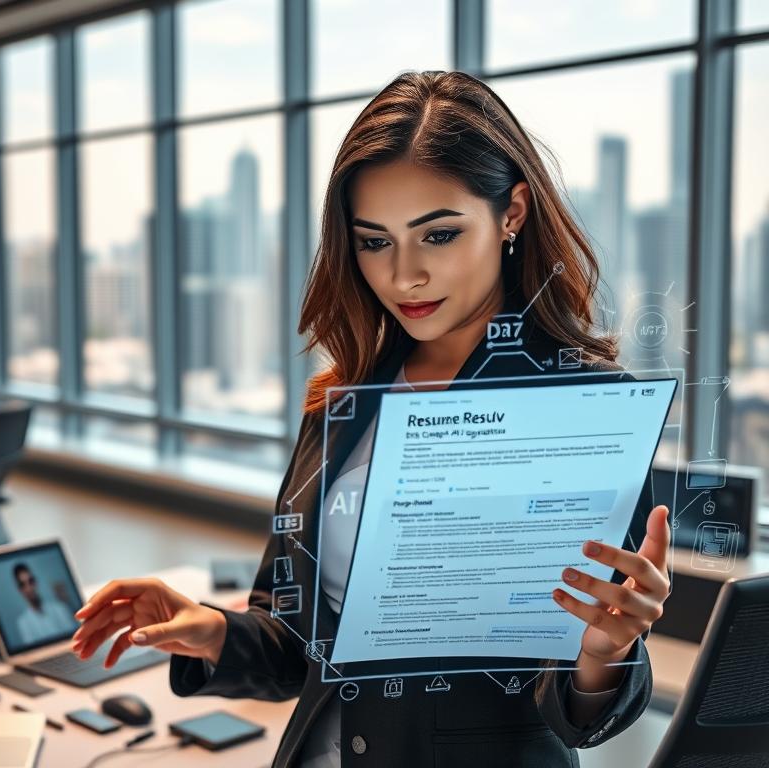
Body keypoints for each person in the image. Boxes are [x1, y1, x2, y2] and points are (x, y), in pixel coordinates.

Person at [71, 70, 671, 767]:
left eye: (438, 235)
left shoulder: (585, 408)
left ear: (512, 213)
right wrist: (210, 630)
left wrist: (604, 653)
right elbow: (295, 642)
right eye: (374, 241)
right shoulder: (344, 398)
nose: (403, 275)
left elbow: (579, 714)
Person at [13, 562, 74, 646]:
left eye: (31, 581)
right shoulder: (23, 623)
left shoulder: (60, 608)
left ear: (36, 582)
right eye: (23, 584)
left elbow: (74, 639)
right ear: (20, 590)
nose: (29, 588)